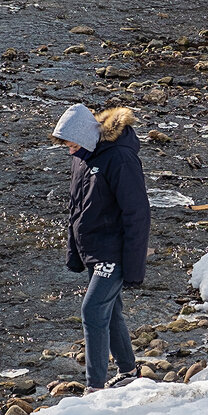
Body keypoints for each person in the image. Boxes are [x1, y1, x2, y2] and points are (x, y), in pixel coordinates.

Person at [51, 103, 151, 393]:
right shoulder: (82, 157)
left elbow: (138, 214)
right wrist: (75, 252)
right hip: (94, 249)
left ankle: (94, 388)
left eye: (70, 143)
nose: (68, 149)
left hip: (114, 251)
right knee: (111, 311)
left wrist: (134, 267)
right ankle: (129, 371)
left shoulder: (120, 159)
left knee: (93, 311)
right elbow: (76, 208)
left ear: (85, 136)